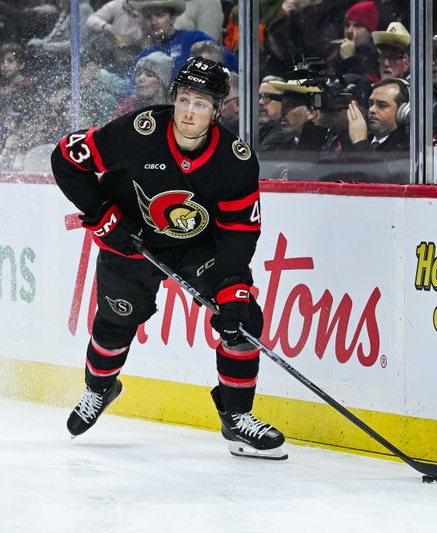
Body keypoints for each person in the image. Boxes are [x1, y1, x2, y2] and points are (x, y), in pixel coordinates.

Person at [50, 57, 287, 460]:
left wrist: (233, 287)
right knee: (115, 322)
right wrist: (103, 215)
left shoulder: (236, 159)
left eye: (201, 103)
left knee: (243, 320)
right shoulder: (138, 131)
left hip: (196, 247)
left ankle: (236, 418)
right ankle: (99, 389)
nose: (189, 111)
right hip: (129, 238)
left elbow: (239, 230)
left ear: (217, 109)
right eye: (184, 99)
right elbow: (66, 158)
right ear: (174, 98)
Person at [346, 77, 409, 151]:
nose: (371, 110)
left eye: (382, 105)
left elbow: (377, 163)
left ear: (401, 111)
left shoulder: (408, 147)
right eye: (371, 103)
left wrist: (360, 142)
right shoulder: (356, 140)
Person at [327, 1, 380, 81]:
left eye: (357, 25)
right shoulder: (335, 55)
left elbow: (364, 86)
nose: (349, 31)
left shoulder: (378, 59)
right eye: (347, 25)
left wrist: (349, 59)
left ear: (370, 31)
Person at [113, 51, 174, 117]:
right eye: (139, 74)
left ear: (161, 83)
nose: (140, 78)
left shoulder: (172, 111)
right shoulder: (127, 106)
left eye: (149, 75)